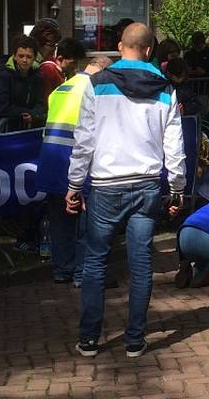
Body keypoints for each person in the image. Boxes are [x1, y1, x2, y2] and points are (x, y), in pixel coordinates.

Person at [66, 22, 187, 359]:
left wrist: (75, 184)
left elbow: (84, 140)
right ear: (149, 50)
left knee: (95, 263)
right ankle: (135, 339)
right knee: (140, 263)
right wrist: (177, 188)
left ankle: (89, 338)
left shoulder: (97, 84)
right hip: (146, 184)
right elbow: (174, 145)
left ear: (121, 46)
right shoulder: (165, 88)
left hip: (105, 184)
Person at [38, 38, 96, 284]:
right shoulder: (93, 91)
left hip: (51, 163)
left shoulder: (59, 90)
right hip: (75, 165)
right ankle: (82, 273)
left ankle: (62, 270)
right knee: (84, 223)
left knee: (60, 222)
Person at [0, 37, 47, 130]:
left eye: (28, 56)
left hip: (27, 131)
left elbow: (41, 104)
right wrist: (24, 113)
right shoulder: (4, 77)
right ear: (15, 57)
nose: (24, 60)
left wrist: (34, 115)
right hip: (4, 131)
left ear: (34, 58)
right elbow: (0, 105)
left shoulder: (37, 78)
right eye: (21, 56)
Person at [31, 18, 65, 101]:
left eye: (55, 45)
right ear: (38, 43)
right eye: (51, 45)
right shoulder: (36, 67)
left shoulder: (48, 62)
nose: (54, 49)